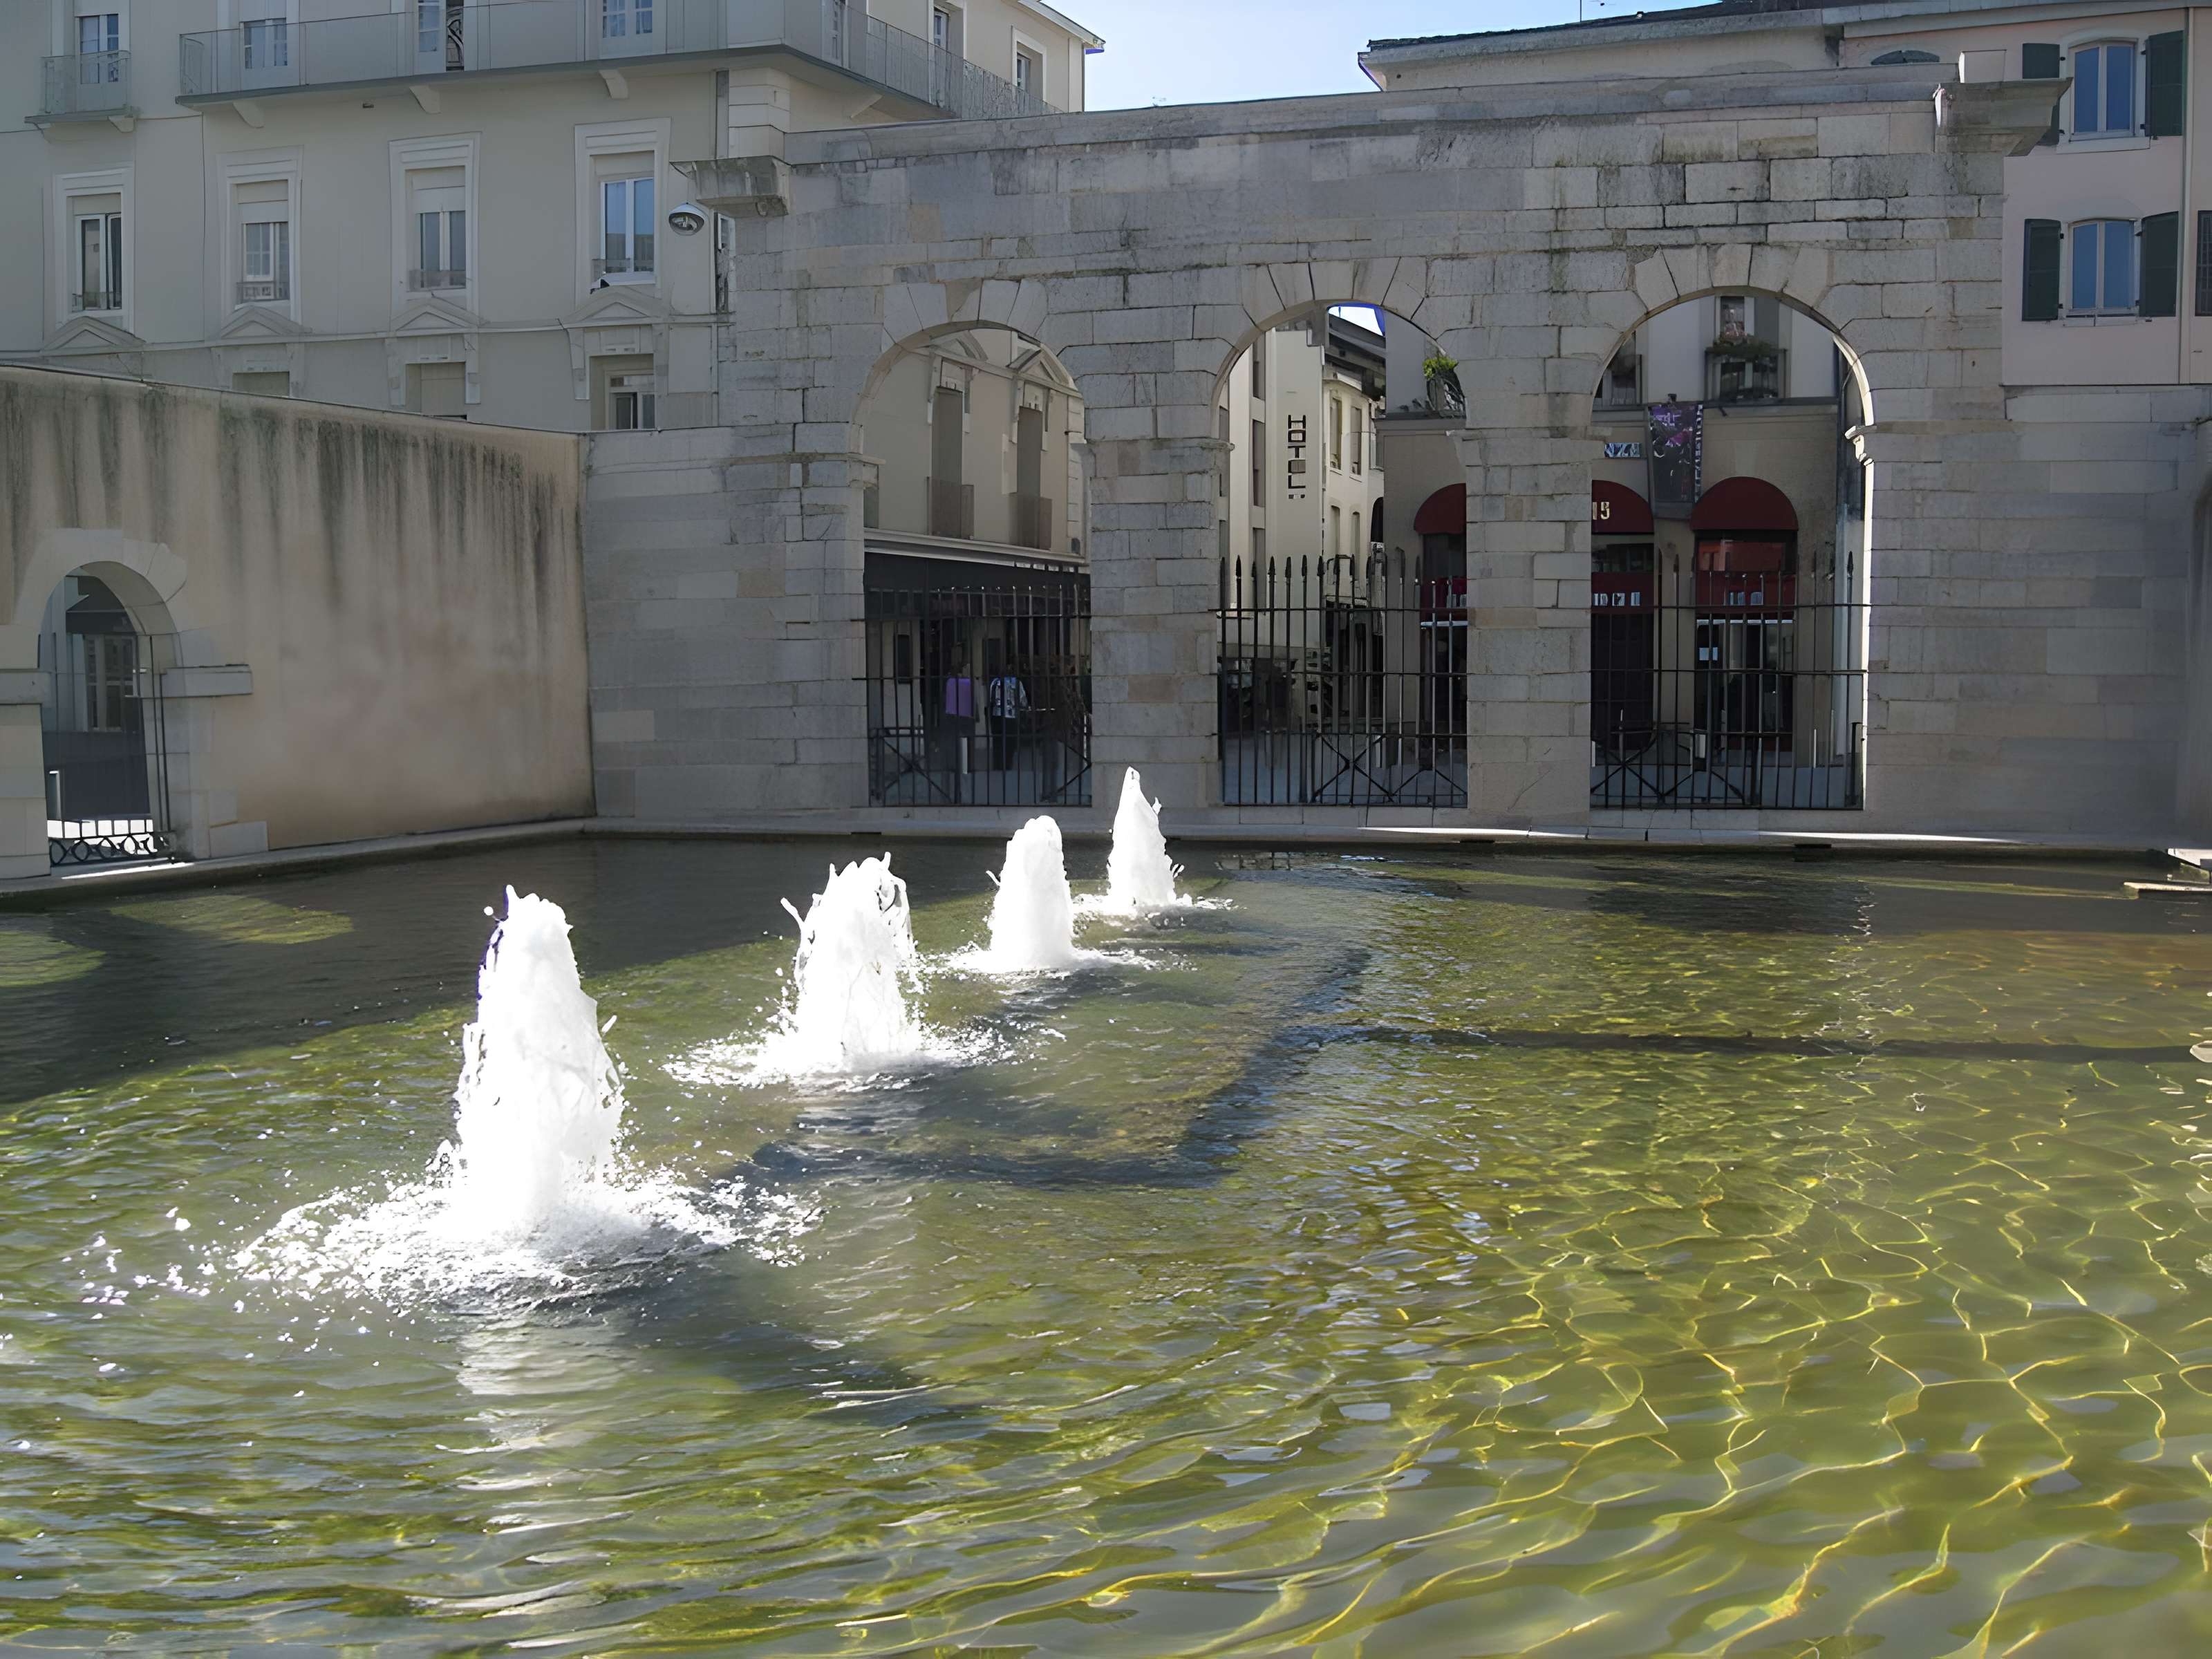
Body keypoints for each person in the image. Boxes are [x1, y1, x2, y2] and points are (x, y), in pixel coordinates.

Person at [940, 651, 977, 785]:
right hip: (966, 716)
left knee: (954, 741)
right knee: (967, 742)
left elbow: (945, 700)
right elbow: (974, 700)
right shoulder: (968, 682)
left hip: (953, 716)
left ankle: (954, 765)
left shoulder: (950, 682)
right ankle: (967, 767)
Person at [986, 662, 1029, 771]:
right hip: (1011, 717)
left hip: (997, 718)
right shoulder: (1017, 683)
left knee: (998, 744)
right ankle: (1007, 766)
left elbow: (990, 701)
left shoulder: (994, 683)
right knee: (1010, 745)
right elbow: (1023, 701)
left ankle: (997, 766)